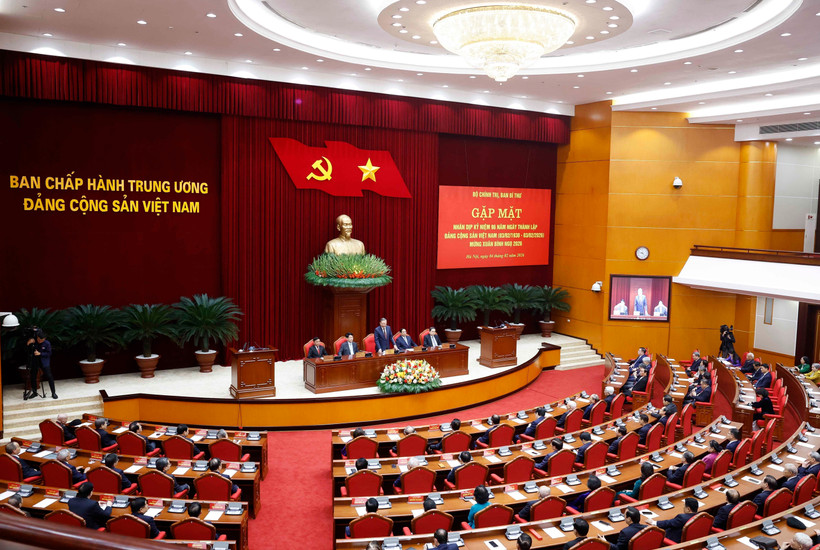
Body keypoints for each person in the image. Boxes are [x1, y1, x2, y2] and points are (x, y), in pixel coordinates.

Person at [25, 329, 57, 400]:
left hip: (44, 361)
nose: (39, 341)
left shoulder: (47, 343)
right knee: (33, 376)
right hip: (35, 361)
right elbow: (28, 350)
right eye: (38, 339)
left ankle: (53, 393)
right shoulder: (34, 341)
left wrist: (40, 354)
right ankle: (34, 392)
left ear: (44, 339)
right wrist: (28, 343)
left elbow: (49, 353)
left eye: (41, 340)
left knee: (49, 376)